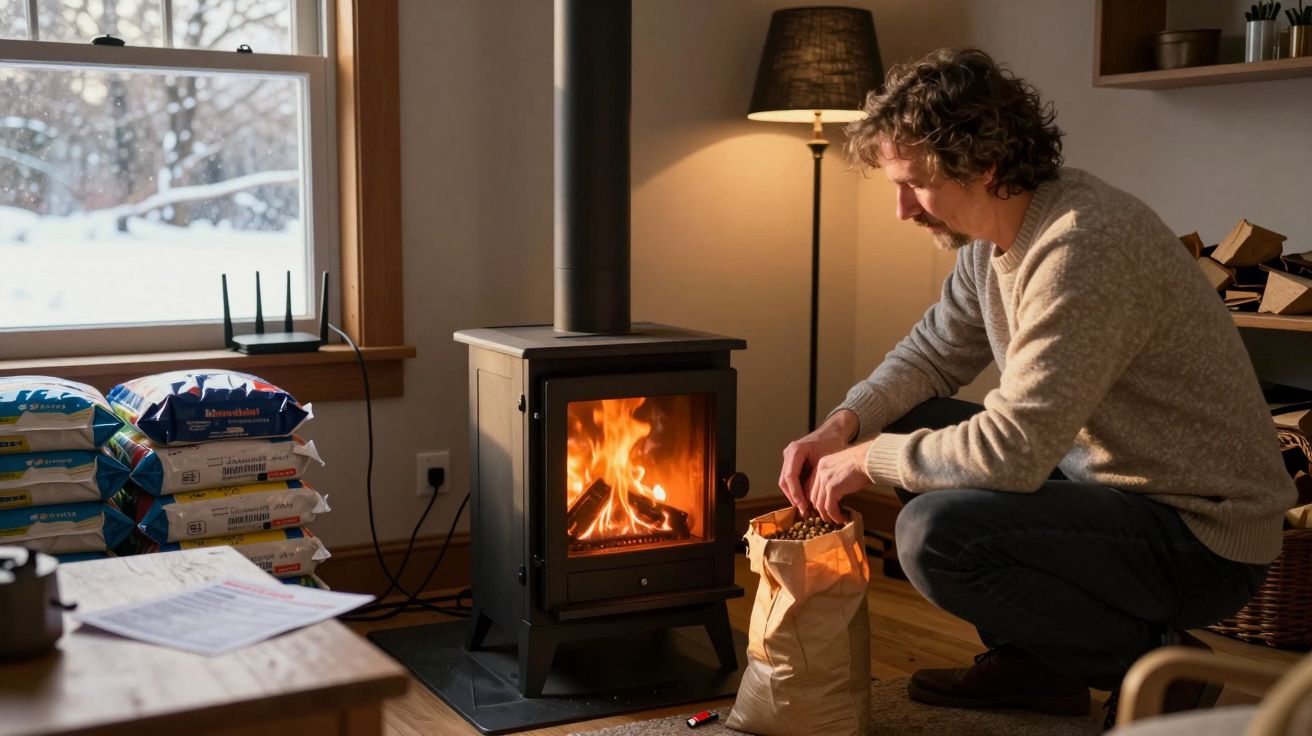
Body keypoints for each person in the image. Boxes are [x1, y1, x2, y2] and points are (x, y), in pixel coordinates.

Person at [777, 47, 1295, 726]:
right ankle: (1040, 666)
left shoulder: (1082, 245)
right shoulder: (993, 243)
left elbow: (1013, 452)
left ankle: (1155, 671)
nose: (902, 209)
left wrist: (865, 460)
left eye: (916, 183)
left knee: (934, 533)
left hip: (1201, 532)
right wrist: (842, 425)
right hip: (1113, 490)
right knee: (915, 424)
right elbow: (932, 354)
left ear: (984, 164)